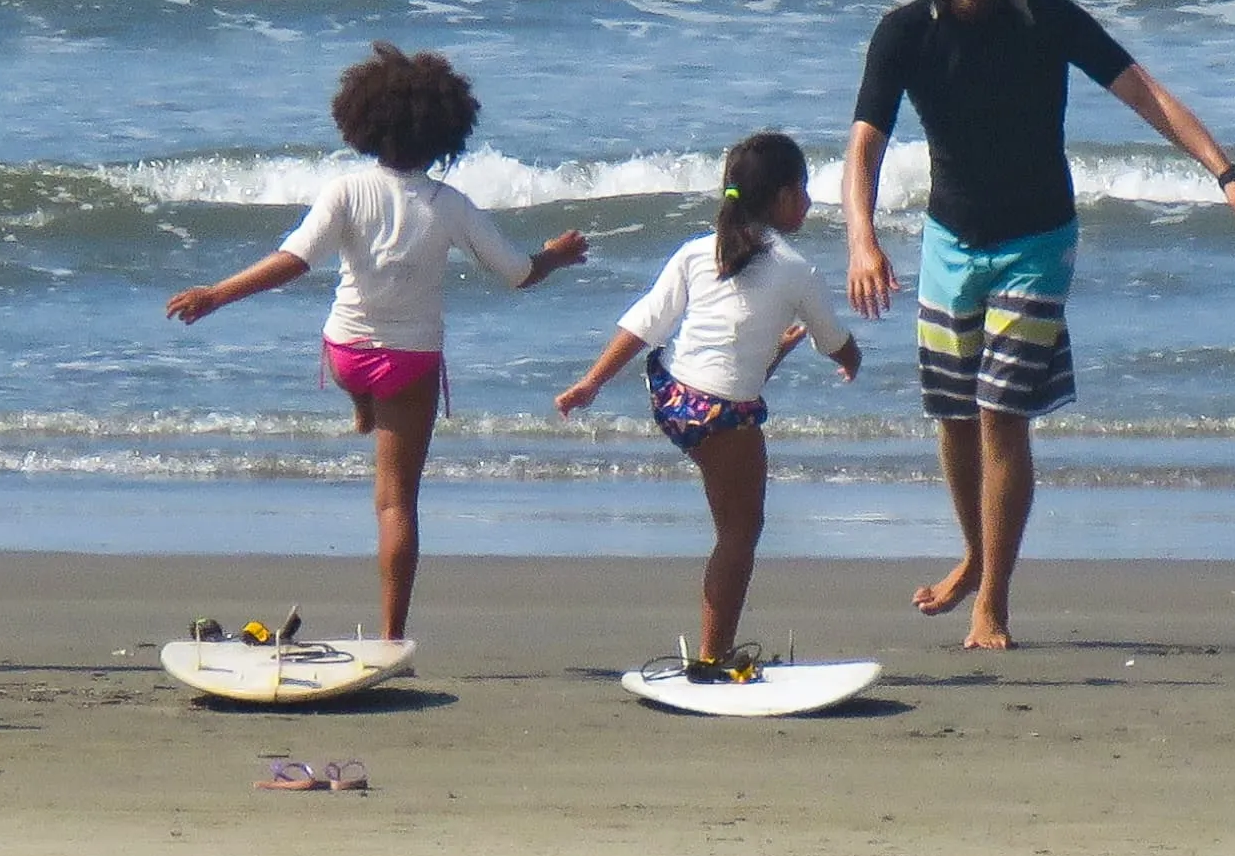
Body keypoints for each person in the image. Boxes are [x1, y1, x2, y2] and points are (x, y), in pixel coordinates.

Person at [841, 0, 1235, 650]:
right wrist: (861, 239)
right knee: (954, 416)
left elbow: (1147, 95)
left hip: (1038, 241)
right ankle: (975, 555)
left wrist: (1226, 172)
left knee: (1001, 412)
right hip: (949, 241)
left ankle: (993, 601)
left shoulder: (1050, 22)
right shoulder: (905, 33)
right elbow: (864, 145)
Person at [166, 43, 587, 643]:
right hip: (409, 365)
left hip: (345, 355)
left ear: (363, 123)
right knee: (396, 505)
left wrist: (217, 294)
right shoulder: (450, 205)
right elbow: (518, 274)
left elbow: (294, 260)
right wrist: (555, 256)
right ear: (446, 134)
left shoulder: (346, 190)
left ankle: (361, 407)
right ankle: (391, 636)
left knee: (349, 353)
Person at [555, 131, 861, 668]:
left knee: (733, 421)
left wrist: (592, 383)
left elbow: (646, 324)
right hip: (720, 417)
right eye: (804, 190)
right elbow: (834, 339)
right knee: (741, 534)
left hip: (673, 397)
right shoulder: (796, 270)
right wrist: (851, 359)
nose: (809, 202)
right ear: (784, 197)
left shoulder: (697, 252)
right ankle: (711, 656)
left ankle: (715, 648)